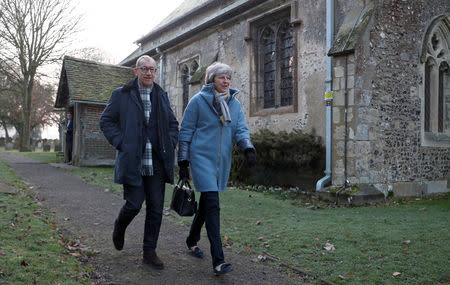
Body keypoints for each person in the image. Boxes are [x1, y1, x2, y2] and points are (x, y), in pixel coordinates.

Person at [99, 55, 179, 269]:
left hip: (158, 163)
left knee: (155, 209)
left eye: (152, 69)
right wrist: (121, 142)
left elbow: (173, 124)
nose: (149, 73)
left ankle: (149, 251)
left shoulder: (161, 95)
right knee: (134, 204)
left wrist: (170, 143)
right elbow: (106, 121)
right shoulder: (121, 94)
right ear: (136, 71)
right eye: (144, 69)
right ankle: (119, 226)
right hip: (133, 161)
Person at [178, 62, 256, 275]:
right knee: (213, 204)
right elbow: (185, 131)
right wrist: (183, 161)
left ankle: (192, 239)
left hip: (221, 161)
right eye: (222, 77)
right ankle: (218, 260)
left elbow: (240, 129)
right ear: (211, 79)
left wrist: (247, 147)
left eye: (228, 78)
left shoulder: (234, 104)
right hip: (201, 157)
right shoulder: (198, 101)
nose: (226, 81)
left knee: (206, 204)